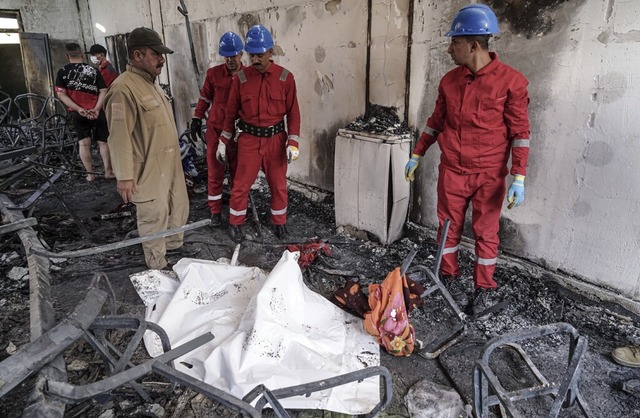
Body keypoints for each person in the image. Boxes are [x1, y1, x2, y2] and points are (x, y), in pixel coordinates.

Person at [404, 4, 530, 316]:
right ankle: (446, 275)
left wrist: (519, 176)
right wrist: (418, 153)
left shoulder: (511, 82)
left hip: (488, 174)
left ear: (474, 45)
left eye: (455, 43)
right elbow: (436, 121)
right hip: (453, 171)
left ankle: (484, 288)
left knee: (486, 232)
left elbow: (520, 133)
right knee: (448, 227)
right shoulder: (449, 81)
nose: (449, 49)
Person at [104, 27, 192, 270]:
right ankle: (157, 266)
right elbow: (118, 137)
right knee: (153, 216)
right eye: (156, 54)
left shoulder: (150, 83)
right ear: (137, 55)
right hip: (148, 167)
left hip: (169, 163)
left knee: (176, 207)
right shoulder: (123, 89)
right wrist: (125, 178)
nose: (161, 59)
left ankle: (173, 248)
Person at [219, 24, 301, 242]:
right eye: (251, 55)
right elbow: (230, 113)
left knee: (279, 185)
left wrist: (293, 143)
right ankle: (235, 223)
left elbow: (294, 113)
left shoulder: (285, 78)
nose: (255, 60)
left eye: (260, 55)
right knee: (240, 185)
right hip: (249, 140)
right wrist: (222, 141)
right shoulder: (241, 79)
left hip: (276, 140)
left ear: (270, 52)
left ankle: (279, 223)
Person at [191, 32, 244, 227]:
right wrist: (197, 118)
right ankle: (215, 211)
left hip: (238, 134)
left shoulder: (248, 77)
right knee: (215, 172)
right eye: (227, 56)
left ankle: (237, 213)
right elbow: (205, 97)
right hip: (215, 131)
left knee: (239, 174)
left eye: (234, 55)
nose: (230, 60)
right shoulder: (213, 74)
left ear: (241, 55)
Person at [55, 42, 114, 181]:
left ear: (67, 56)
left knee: (83, 143)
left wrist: (79, 109)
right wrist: (97, 108)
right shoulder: (93, 70)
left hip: (78, 113)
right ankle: (108, 172)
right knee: (103, 142)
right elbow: (103, 91)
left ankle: (90, 175)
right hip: (97, 111)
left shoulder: (62, 72)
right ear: (81, 55)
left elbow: (61, 94)